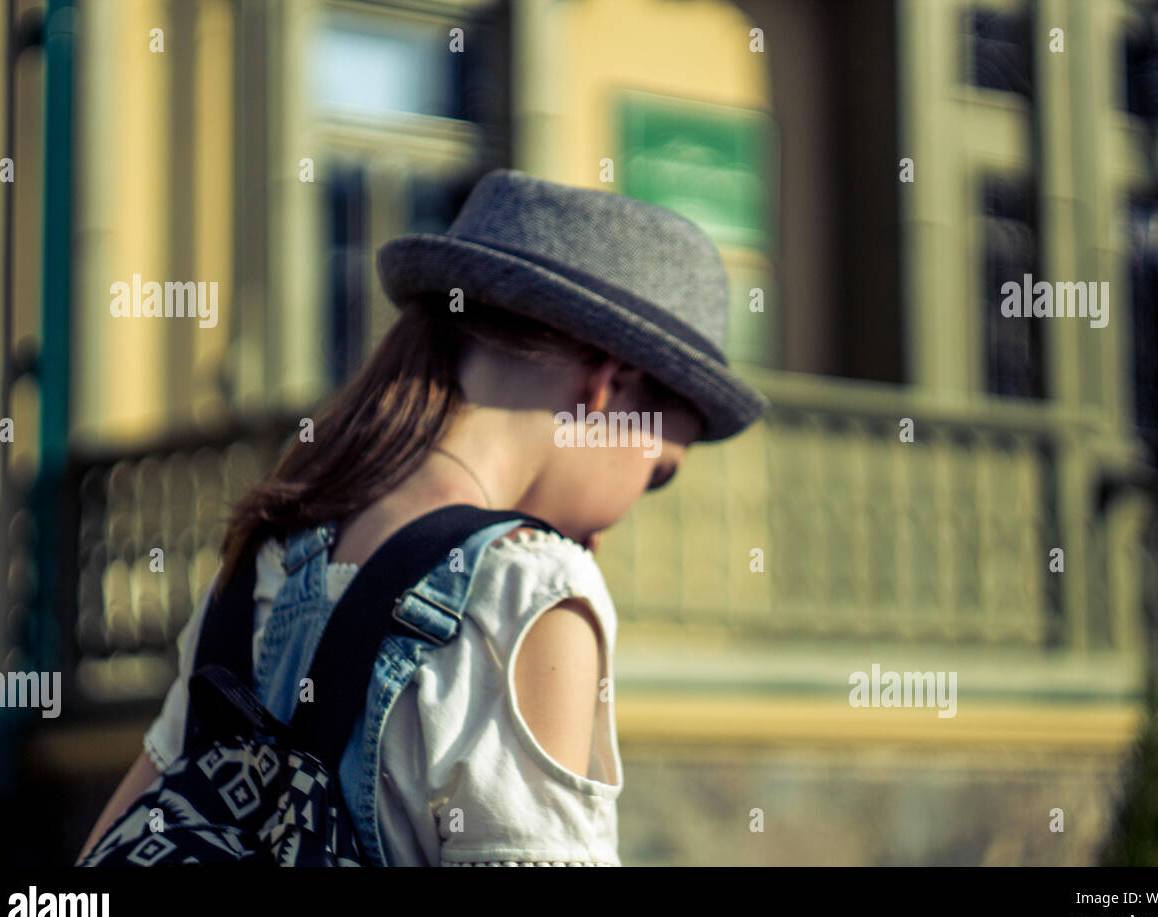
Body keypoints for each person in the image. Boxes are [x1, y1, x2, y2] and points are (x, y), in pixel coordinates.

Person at [77, 168, 768, 866]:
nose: (612, 526)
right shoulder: (529, 594)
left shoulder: (264, 556)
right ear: (607, 382)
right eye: (657, 474)